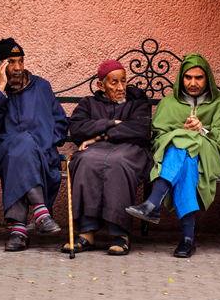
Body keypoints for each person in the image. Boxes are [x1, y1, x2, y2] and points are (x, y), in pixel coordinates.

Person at [125, 54, 220, 258]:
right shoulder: (168, 103)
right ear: (181, 78)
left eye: (199, 77)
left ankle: (153, 202)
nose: (193, 83)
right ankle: (187, 239)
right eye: (188, 77)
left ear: (208, 78)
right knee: (185, 160)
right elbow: (158, 139)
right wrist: (182, 133)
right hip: (178, 160)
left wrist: (201, 130)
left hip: (211, 156)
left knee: (185, 140)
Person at [0, 38, 68, 252]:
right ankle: (41, 213)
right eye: (11, 62)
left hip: (40, 153)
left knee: (24, 148)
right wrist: (0, 89)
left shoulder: (41, 86)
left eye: (20, 61)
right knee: (20, 145)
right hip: (1, 152)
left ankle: (18, 231)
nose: (17, 68)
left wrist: (42, 143)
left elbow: (60, 122)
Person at [62, 60, 153, 256]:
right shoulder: (88, 103)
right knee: (85, 161)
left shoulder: (136, 102)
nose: (121, 88)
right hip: (95, 151)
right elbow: (78, 129)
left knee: (117, 163)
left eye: (123, 81)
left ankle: (121, 234)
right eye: (114, 83)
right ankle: (86, 234)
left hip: (129, 150)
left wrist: (100, 135)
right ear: (100, 85)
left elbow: (141, 130)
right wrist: (112, 122)